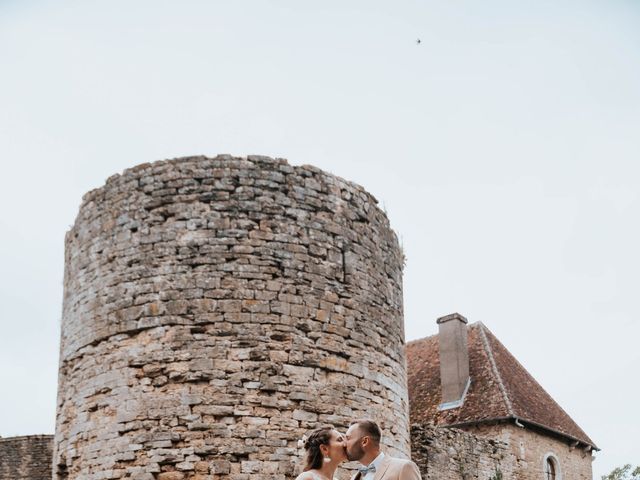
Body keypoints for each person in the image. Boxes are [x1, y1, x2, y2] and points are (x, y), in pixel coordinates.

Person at [344, 419, 422, 480]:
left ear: (365, 441)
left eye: (348, 438)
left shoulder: (404, 467)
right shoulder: (355, 477)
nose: (344, 444)